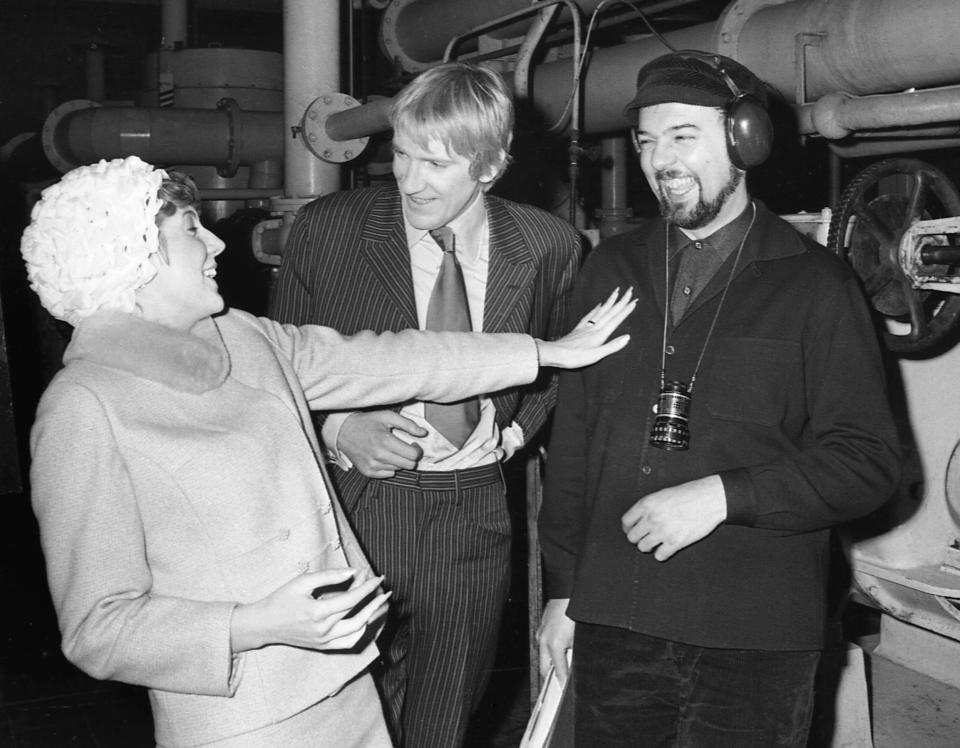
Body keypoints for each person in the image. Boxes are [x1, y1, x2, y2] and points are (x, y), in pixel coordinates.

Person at [20, 156, 633, 748]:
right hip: (244, 719)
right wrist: (252, 623)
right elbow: (97, 627)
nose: (217, 245)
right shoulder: (85, 407)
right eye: (190, 232)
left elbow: (396, 357)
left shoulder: (243, 337)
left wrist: (546, 353)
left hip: (348, 685)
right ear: (132, 259)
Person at [537, 51, 902, 747]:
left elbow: (869, 460)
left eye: (682, 136)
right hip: (618, 614)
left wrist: (725, 496)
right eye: (646, 142)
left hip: (756, 637)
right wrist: (562, 588)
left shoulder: (815, 285)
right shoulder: (608, 270)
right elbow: (576, 442)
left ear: (745, 140)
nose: (659, 162)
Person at [271, 62, 584, 746]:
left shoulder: (548, 246)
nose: (409, 180)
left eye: (435, 163)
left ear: (491, 165)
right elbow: (274, 370)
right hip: (354, 508)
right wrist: (336, 426)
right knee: (343, 724)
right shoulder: (329, 231)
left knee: (444, 725)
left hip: (471, 515)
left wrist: (513, 432)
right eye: (402, 154)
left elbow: (565, 359)